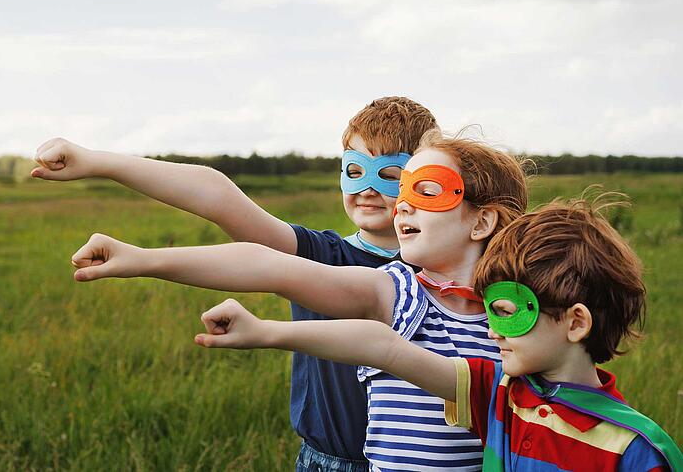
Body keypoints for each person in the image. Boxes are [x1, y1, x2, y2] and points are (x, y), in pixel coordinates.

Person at [68, 132, 530, 470]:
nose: (398, 202)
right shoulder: (390, 288)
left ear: (482, 220)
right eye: (358, 171)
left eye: (419, 188)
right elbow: (262, 259)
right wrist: (143, 257)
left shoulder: (522, 315)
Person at [33, 97, 438, 471]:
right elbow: (219, 198)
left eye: (388, 174)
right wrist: (98, 162)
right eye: (354, 170)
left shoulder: (450, 269)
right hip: (325, 460)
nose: (367, 188)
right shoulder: (319, 255)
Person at [193, 198, 682, 471]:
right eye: (487, 310)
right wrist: (267, 330)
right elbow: (381, 346)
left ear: (576, 322)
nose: (490, 327)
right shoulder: (498, 394)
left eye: (507, 312)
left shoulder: (637, 449)